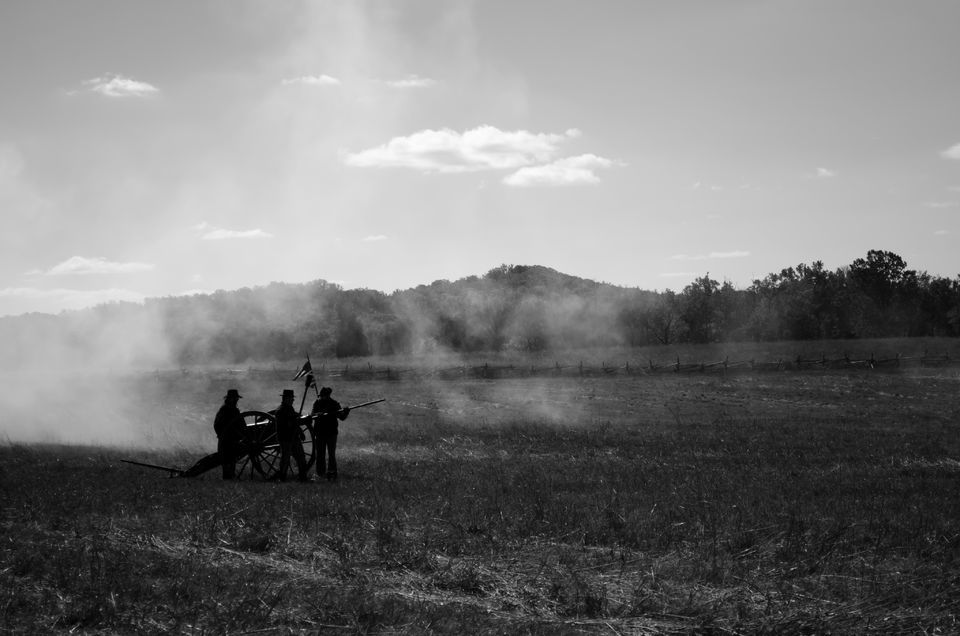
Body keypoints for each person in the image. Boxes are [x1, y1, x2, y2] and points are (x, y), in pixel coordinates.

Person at [181, 388, 245, 479]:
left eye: (236, 398)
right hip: (226, 441)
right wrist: (224, 435)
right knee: (226, 460)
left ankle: (230, 478)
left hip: (234, 440)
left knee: (231, 460)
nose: (236, 400)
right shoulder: (224, 410)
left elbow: (242, 424)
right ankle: (227, 479)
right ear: (229, 398)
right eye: (234, 398)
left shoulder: (235, 410)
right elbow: (217, 425)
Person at [311, 386, 350, 481]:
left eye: (323, 396)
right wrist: (318, 414)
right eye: (321, 396)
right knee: (320, 454)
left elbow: (342, 417)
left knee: (331, 454)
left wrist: (346, 412)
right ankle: (320, 474)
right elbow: (312, 415)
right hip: (319, 433)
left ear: (328, 395)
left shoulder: (334, 404)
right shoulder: (317, 403)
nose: (321, 397)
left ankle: (332, 473)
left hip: (331, 433)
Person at [275, 388, 309, 482]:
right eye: (291, 398)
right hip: (285, 438)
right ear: (285, 399)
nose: (293, 400)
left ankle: (303, 478)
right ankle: (282, 478)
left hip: (294, 437)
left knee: (301, 457)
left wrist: (300, 432)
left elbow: (295, 422)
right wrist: (296, 421)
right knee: (285, 459)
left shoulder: (290, 409)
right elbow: (288, 424)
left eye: (292, 399)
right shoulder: (280, 410)